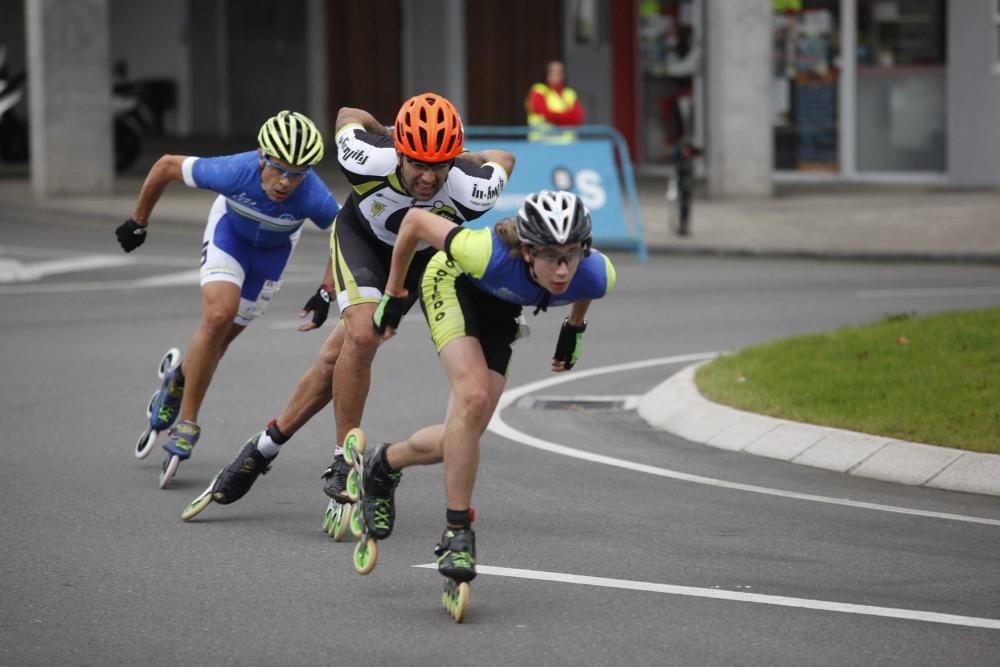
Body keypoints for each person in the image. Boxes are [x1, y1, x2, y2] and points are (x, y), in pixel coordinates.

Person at [191, 93, 515, 514]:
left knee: (334, 360)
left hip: (415, 261)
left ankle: (262, 448)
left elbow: (504, 158)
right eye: (417, 162)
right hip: (360, 240)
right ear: (400, 152)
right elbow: (347, 114)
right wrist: (385, 131)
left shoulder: (473, 189)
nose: (428, 178)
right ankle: (345, 460)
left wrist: (468, 157)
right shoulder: (364, 158)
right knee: (361, 337)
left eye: (440, 165)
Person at [357, 189, 616, 593]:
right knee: (472, 396)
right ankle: (457, 533)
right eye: (549, 255)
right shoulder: (483, 251)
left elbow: (585, 287)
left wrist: (573, 329)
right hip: (453, 282)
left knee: (464, 436)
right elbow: (413, 223)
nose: (562, 269)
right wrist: (393, 294)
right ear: (527, 251)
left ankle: (384, 462)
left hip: (501, 310)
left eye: (571, 254)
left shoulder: (596, 274)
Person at [115, 110, 340, 487]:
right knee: (218, 317)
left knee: (220, 342)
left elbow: (343, 236)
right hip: (229, 236)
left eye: (297, 173)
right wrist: (138, 220)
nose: (286, 181)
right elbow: (167, 165)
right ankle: (187, 422)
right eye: (278, 168)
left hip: (270, 257)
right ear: (260, 157)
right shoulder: (233, 171)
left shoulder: (312, 193)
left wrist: (326, 290)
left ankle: (177, 380)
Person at [525, 60, 584, 143]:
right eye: (552, 71)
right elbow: (546, 114)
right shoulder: (539, 90)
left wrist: (556, 119)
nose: (556, 74)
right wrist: (567, 118)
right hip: (542, 143)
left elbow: (577, 118)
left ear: (564, 75)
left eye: (559, 71)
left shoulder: (570, 93)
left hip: (568, 145)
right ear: (546, 74)